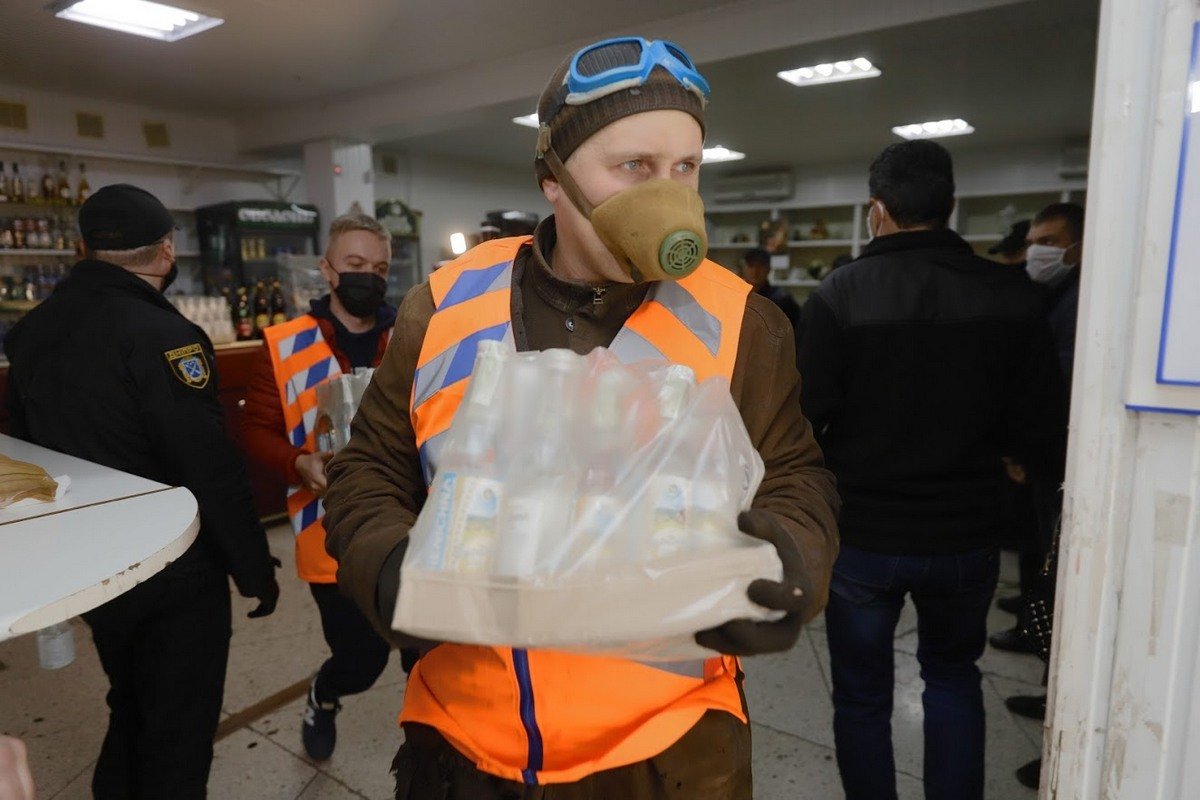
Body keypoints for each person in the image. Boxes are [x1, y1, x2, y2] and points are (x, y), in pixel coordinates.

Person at [322, 37, 840, 799]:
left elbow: (797, 473)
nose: (667, 196)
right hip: (462, 743)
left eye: (685, 169)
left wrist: (790, 559)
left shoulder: (743, 322)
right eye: (634, 167)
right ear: (553, 180)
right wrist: (388, 569)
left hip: (667, 752)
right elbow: (369, 467)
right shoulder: (444, 305)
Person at [796, 141, 1067, 800]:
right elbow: (1040, 424)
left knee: (861, 698)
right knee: (953, 678)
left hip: (864, 539)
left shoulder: (837, 295)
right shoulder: (1013, 296)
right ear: (950, 207)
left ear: (876, 211)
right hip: (968, 535)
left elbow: (807, 419)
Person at [3, 184, 279, 799]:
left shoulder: (31, 333)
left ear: (83, 248)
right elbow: (207, 465)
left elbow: (28, 460)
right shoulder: (163, 335)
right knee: (179, 727)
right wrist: (253, 567)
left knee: (129, 695)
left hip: (92, 565)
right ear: (164, 250)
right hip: (174, 569)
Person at [241, 212, 401, 761]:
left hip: (411, 521)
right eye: (355, 265)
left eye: (379, 268)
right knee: (360, 659)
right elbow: (255, 431)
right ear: (328, 270)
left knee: (428, 648)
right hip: (328, 532)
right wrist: (297, 463)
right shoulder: (285, 345)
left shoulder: (411, 335)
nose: (368, 277)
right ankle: (326, 692)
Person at [1001, 200, 1085, 790]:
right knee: (1046, 581)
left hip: (1062, 465)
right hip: (1045, 462)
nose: (1037, 252)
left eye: (1048, 240)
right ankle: (1050, 694)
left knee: (1062, 590)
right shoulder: (1059, 297)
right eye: (1033, 240)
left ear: (1077, 245)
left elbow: (1056, 391)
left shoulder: (1081, 304)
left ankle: (1065, 737)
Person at [739, 247, 801, 332]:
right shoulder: (737, 297)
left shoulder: (782, 300)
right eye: (751, 266)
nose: (755, 271)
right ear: (744, 268)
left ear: (768, 269)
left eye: (760, 266)